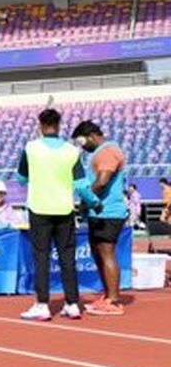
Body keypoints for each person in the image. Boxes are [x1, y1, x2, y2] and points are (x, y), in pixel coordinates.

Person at [16, 108, 86, 321]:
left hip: (39, 208)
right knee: (67, 257)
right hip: (64, 209)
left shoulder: (31, 148)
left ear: (40, 125)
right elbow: (81, 184)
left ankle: (42, 304)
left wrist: (37, 179)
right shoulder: (72, 151)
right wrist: (92, 202)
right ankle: (72, 303)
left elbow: (21, 177)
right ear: (59, 125)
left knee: (41, 257)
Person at [72, 121, 128, 316]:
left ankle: (113, 300)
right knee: (98, 253)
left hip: (108, 212)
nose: (82, 147)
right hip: (99, 212)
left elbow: (102, 181)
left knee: (106, 253)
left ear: (91, 136)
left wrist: (86, 201)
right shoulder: (101, 152)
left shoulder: (107, 151)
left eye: (82, 141)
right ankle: (107, 295)